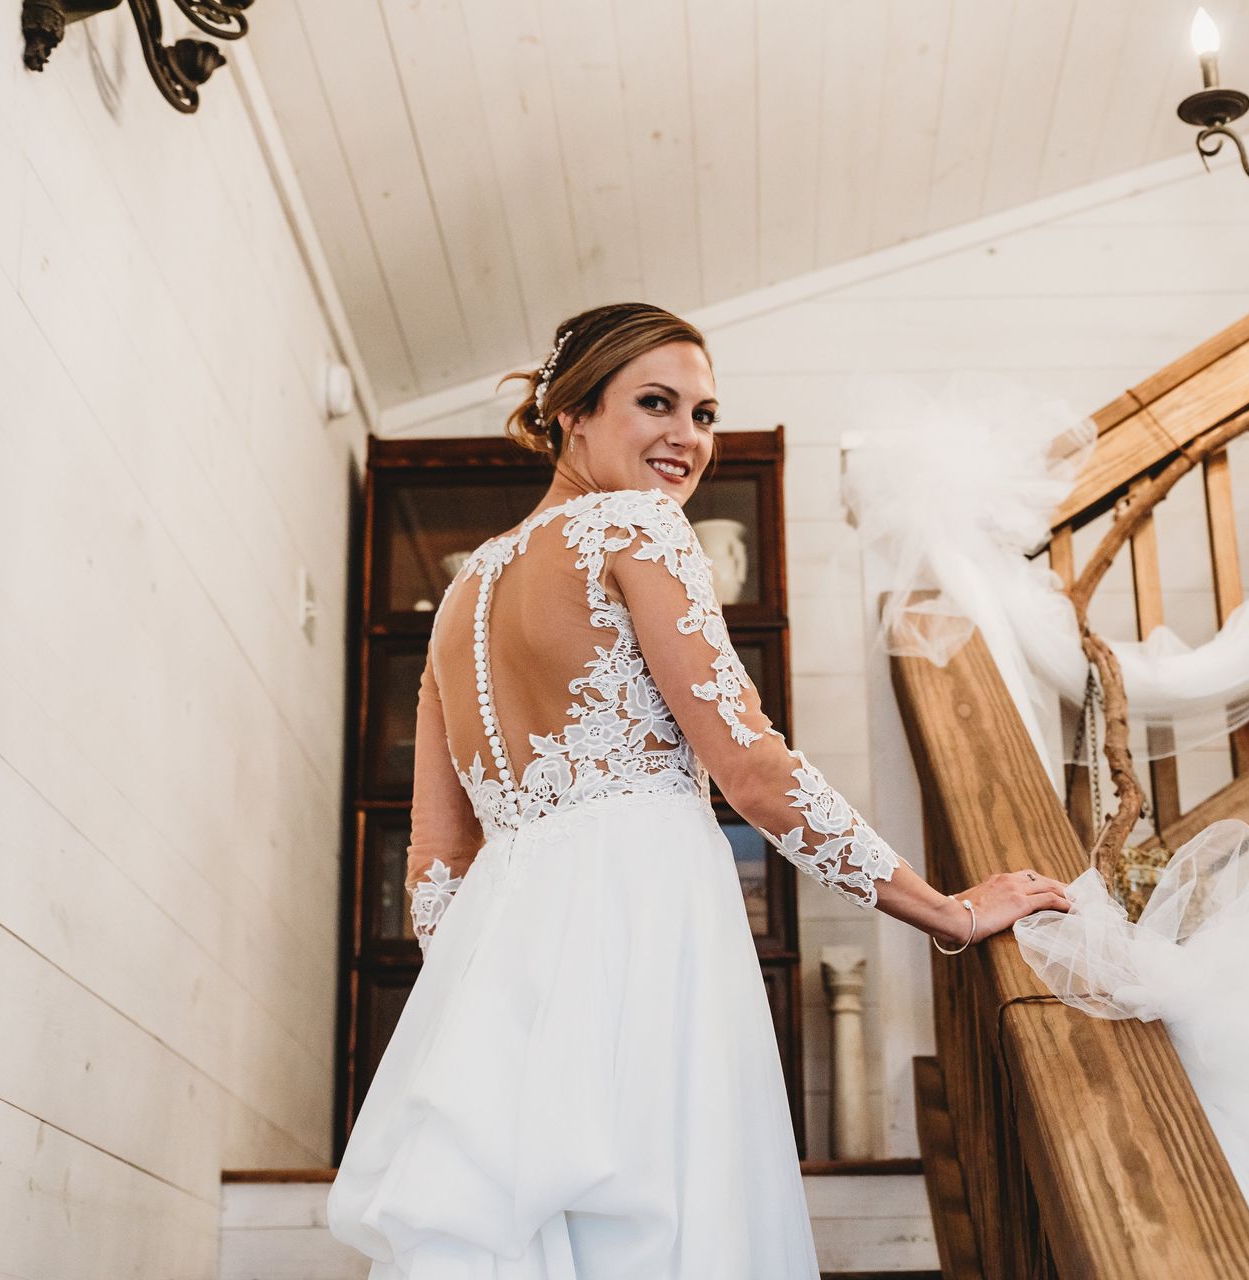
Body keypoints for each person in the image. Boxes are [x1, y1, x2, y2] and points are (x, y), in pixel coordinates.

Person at [326, 302, 1072, 1277]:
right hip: (644, 926)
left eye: (707, 413)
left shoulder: (460, 599)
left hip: (498, 969)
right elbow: (755, 771)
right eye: (656, 403)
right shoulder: (637, 525)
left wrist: (486, 1007)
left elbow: (435, 865)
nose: (689, 438)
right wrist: (945, 908)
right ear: (572, 412)